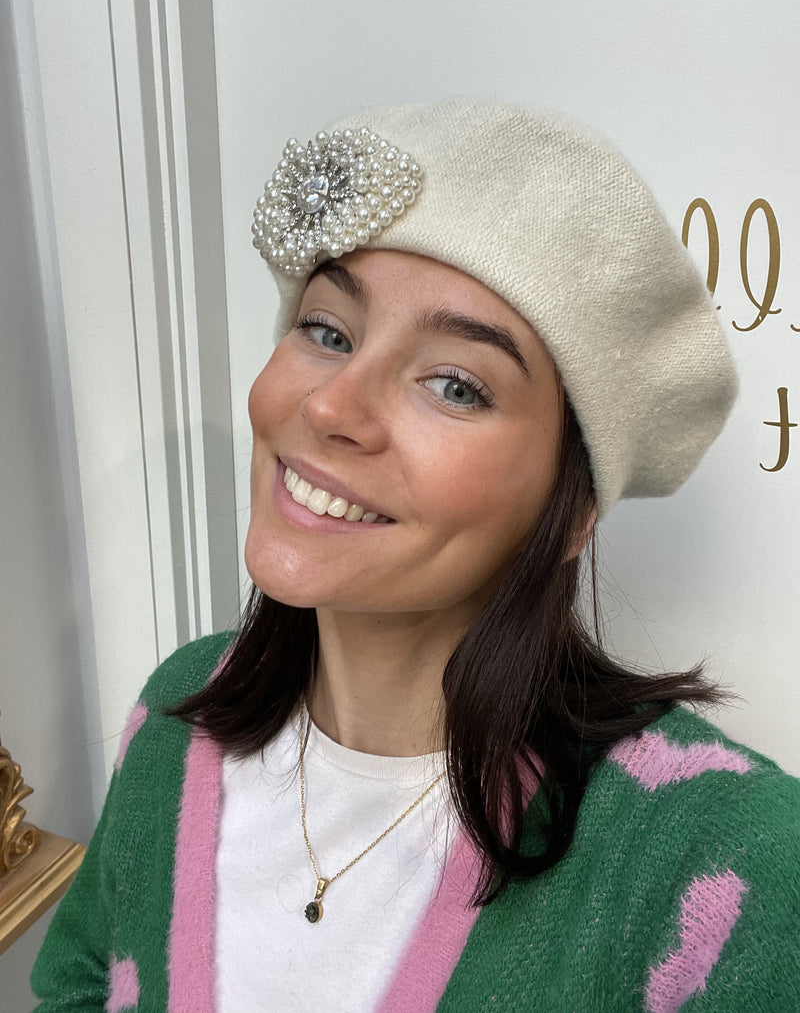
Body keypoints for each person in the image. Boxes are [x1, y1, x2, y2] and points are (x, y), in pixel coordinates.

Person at [32, 101, 800, 1012]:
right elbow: (73, 987)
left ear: (572, 508)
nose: (330, 409)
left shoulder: (719, 855)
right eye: (327, 330)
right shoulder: (176, 718)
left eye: (455, 384)